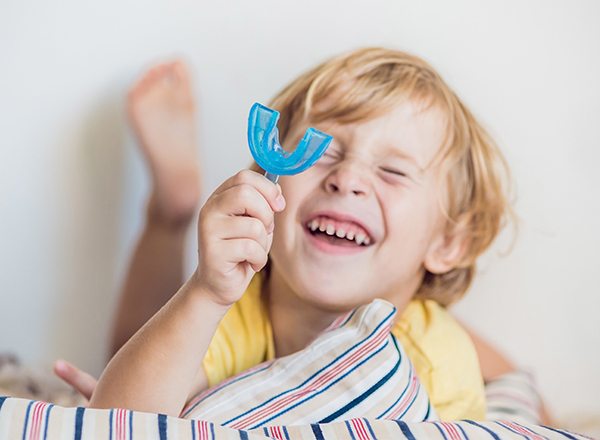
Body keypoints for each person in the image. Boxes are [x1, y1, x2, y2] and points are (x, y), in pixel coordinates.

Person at [55, 48, 541, 422]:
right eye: (321, 152)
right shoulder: (238, 309)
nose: (347, 177)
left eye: (392, 171)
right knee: (133, 351)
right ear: (271, 180)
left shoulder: (438, 360)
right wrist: (205, 292)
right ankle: (171, 211)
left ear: (449, 242)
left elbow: (507, 379)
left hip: (425, 335)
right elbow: (119, 420)